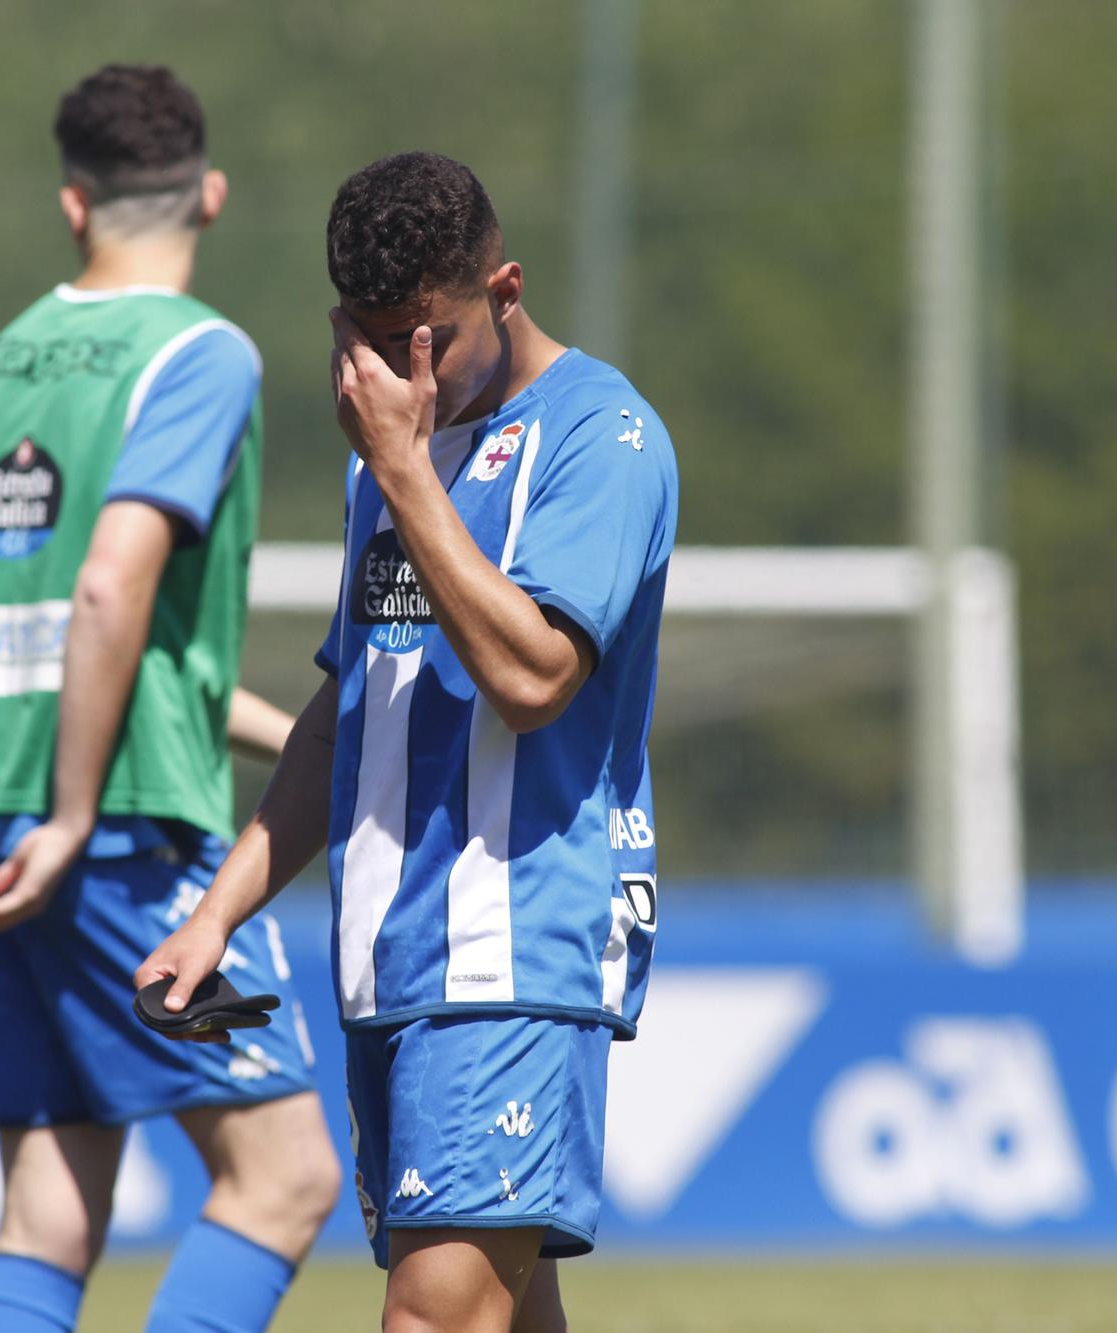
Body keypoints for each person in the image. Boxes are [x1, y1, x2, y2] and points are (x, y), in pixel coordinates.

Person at [139, 150, 679, 1332]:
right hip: (386, 960)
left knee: (430, 1317)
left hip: (513, 951)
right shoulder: (382, 455)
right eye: (366, 339)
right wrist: (215, 912)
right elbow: (345, 714)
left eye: (421, 337)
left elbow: (534, 676)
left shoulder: (603, 437)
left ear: (503, 287)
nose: (393, 370)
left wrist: (398, 469)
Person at [0, 64, 339, 1333]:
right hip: (117, 826)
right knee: (282, 1178)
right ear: (210, 195)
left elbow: (132, 645)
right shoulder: (199, 352)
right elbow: (113, 591)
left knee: (49, 1212)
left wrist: (320, 742)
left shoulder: (13, 351)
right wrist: (75, 815)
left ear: (73, 206)